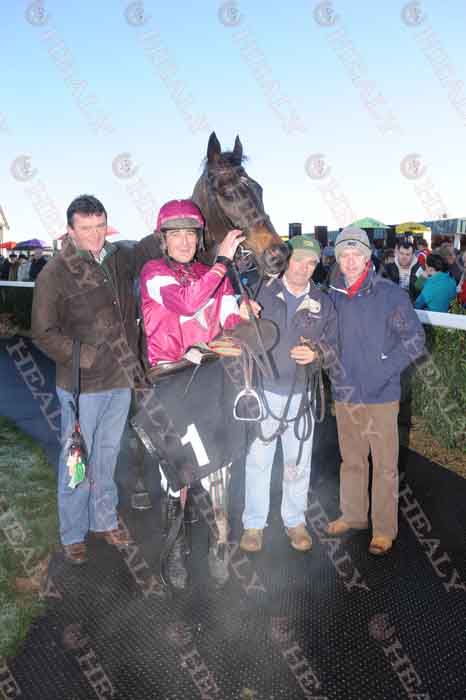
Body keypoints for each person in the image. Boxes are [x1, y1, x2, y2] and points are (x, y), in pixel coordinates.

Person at [139, 198, 260, 589]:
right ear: (164, 240)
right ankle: (176, 549)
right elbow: (188, 301)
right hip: (170, 381)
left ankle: (219, 546)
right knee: (177, 474)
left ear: (198, 237)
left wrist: (242, 314)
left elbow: (224, 316)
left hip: (209, 380)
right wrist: (223, 261)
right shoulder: (153, 273)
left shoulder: (214, 273)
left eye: (190, 234)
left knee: (220, 468)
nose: (184, 242)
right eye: (176, 235)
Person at [32, 195, 141, 565]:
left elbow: (153, 247)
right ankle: (72, 534)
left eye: (99, 226)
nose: (94, 236)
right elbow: (43, 332)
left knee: (108, 458)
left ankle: (105, 520)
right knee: (76, 461)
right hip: (82, 386)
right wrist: (83, 356)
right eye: (86, 228)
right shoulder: (55, 272)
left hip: (120, 380)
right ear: (70, 230)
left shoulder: (118, 258)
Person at [326, 227, 425, 556]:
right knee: (351, 460)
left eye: (356, 254)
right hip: (345, 394)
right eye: (344, 255)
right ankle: (353, 515)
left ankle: (384, 530)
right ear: (337, 259)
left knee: (384, 465)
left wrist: (381, 371)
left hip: (381, 394)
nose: (350, 261)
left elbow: (414, 341)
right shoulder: (332, 294)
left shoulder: (389, 294)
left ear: (368, 257)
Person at [240, 235, 339, 554]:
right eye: (298, 260)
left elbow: (336, 346)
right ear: (286, 260)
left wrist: (318, 355)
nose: (304, 268)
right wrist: (239, 313)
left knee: (297, 463)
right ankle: (254, 523)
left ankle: (294, 520)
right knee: (258, 461)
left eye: (311, 263)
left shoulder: (323, 302)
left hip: (302, 396)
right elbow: (235, 332)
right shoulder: (259, 293)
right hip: (264, 393)